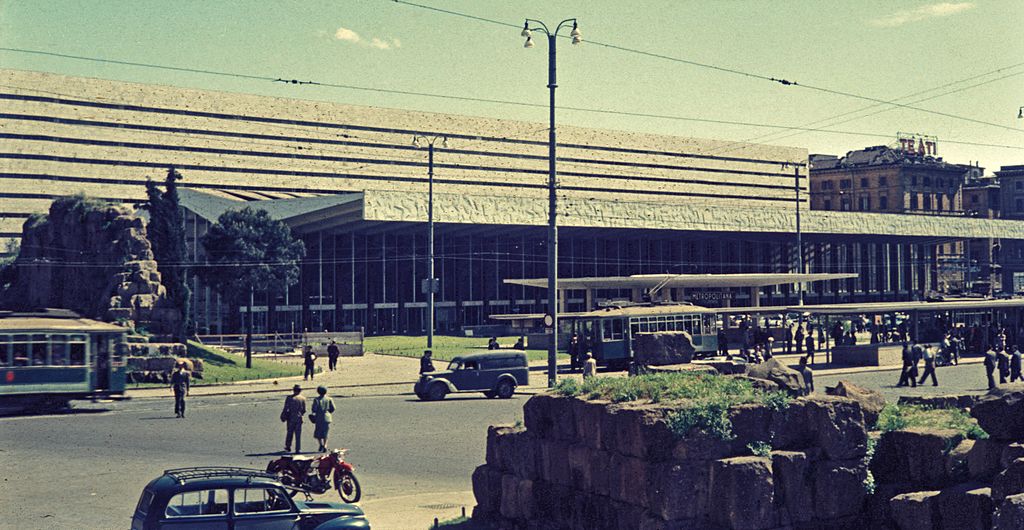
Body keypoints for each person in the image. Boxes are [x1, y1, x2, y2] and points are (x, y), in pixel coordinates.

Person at [281, 384, 307, 453]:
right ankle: (298, 449)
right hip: (299, 418)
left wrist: (283, 415)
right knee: (298, 434)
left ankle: (288, 447)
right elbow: (304, 410)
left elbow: (286, 408)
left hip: (291, 417)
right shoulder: (303, 398)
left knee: (289, 433)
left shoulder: (289, 398)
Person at [311, 385, 336, 452]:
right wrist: (328, 413)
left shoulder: (316, 400)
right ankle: (325, 445)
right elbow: (333, 408)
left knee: (318, 432)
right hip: (327, 417)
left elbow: (314, 409)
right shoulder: (329, 399)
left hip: (319, 417)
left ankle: (320, 444)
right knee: (325, 432)